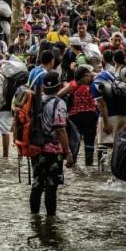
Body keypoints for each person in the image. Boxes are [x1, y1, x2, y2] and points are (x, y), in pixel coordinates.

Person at [31, 71, 76, 216]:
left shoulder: (38, 101)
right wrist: (68, 152)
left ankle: (34, 218)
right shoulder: (59, 103)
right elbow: (60, 129)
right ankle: (50, 222)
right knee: (51, 186)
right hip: (53, 151)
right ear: (59, 86)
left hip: (36, 149)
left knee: (37, 184)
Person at [60, 65, 99, 165]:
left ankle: (72, 163)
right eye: (88, 75)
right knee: (89, 141)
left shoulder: (72, 85)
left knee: (74, 141)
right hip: (90, 117)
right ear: (84, 76)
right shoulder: (93, 84)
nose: (90, 76)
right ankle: (89, 165)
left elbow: (59, 95)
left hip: (74, 117)